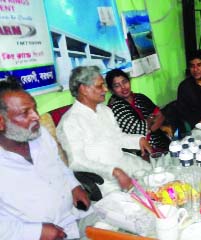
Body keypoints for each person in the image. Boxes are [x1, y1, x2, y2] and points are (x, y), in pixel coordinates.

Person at [0, 80, 91, 239]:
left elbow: (58, 164)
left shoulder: (40, 135)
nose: (36, 116)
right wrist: (35, 232)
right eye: (25, 112)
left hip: (76, 217)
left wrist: (74, 185)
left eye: (35, 108)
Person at [57, 66, 152, 196]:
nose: (105, 90)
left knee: (158, 179)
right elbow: (77, 161)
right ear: (83, 89)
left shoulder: (105, 110)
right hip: (105, 180)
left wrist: (138, 139)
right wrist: (113, 171)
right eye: (100, 86)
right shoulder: (70, 122)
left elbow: (117, 137)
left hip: (125, 164)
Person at [106, 69, 170, 151]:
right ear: (111, 90)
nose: (123, 87)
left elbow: (160, 116)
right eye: (117, 86)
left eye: (125, 82)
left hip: (161, 142)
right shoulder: (115, 108)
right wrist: (150, 120)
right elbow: (137, 132)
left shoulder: (140, 98)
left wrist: (149, 128)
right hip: (140, 151)